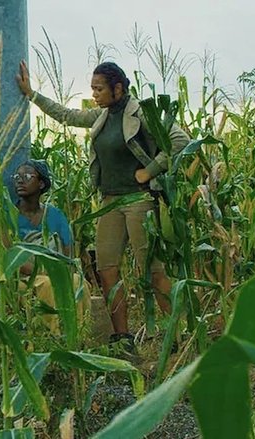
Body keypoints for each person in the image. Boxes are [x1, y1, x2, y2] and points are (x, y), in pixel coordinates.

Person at [16, 60, 190, 348]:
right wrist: (32, 94)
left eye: (99, 89)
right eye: (92, 89)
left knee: (153, 270)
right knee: (107, 269)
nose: (94, 94)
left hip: (139, 201)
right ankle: (121, 337)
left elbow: (181, 140)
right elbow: (67, 115)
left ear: (117, 88)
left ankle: (178, 333)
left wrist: (151, 170)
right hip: (110, 202)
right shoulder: (102, 116)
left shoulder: (141, 113)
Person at [11, 159, 90, 335]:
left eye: (27, 176)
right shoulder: (8, 214)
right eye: (17, 176)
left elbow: (68, 254)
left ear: (41, 183)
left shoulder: (54, 215)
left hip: (56, 270)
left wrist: (59, 270)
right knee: (46, 284)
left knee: (78, 282)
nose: (20, 180)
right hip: (25, 277)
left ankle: (77, 337)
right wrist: (43, 271)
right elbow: (9, 256)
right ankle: (57, 336)